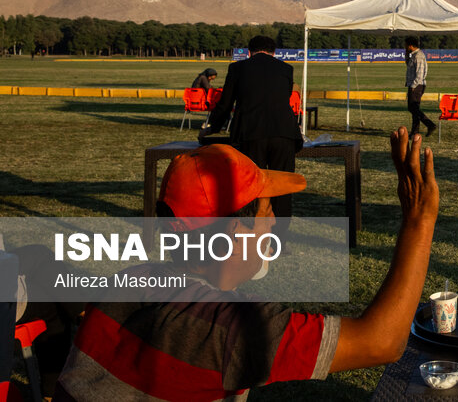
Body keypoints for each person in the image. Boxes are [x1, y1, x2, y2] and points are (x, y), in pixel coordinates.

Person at [55, 130, 438, 401]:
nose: (272, 224)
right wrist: (419, 221)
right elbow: (380, 343)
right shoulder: (225, 328)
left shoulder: (131, 278)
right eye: (266, 211)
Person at [206, 36, 302, 225]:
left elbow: (225, 104)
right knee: (282, 187)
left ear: (249, 52)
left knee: (250, 186)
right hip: (284, 133)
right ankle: (279, 239)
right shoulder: (286, 69)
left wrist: (212, 128)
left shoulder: (237, 68)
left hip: (250, 133)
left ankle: (250, 233)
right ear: (274, 53)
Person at [404, 36, 436, 136]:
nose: (404, 47)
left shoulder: (418, 56)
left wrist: (413, 86)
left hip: (417, 85)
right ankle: (414, 132)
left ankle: (429, 124)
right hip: (414, 84)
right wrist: (406, 54)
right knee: (414, 109)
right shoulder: (413, 55)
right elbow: (408, 65)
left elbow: (420, 73)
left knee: (413, 108)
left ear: (410, 45)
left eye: (405, 45)